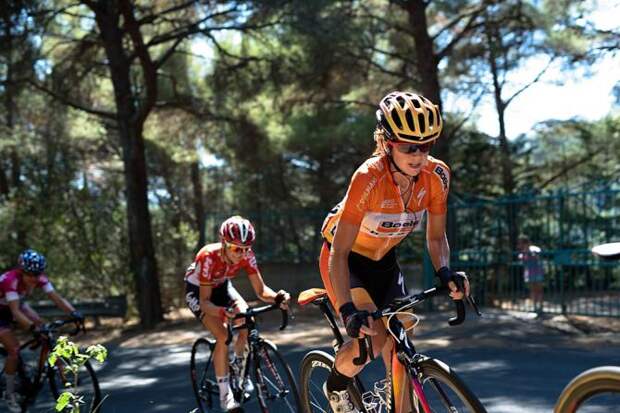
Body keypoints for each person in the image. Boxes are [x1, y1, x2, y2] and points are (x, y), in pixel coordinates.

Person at [319, 91, 471, 413]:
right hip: (348, 261)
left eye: (426, 146)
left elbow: (436, 237)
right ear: (387, 143)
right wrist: (347, 309)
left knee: (401, 340)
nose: (418, 156)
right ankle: (334, 385)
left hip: (385, 262)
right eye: (408, 147)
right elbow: (341, 251)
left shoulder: (436, 176)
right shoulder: (368, 178)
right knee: (371, 342)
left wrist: (445, 270)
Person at [184, 215, 291, 412]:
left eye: (246, 248)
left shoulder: (247, 255)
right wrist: (223, 312)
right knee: (223, 335)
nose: (242, 254)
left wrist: (277, 297)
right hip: (200, 293)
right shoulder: (208, 256)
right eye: (236, 249)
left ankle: (240, 372)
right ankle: (226, 397)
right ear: (224, 243)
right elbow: (206, 302)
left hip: (223, 286)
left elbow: (260, 291)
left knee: (245, 318)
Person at [0, 249, 84, 413]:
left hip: (13, 305)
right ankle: (9, 394)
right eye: (30, 275)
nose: (33, 279)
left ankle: (63, 373)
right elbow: (16, 313)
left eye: (37, 274)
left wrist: (74, 313)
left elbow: (56, 298)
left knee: (44, 328)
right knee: (14, 350)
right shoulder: (10, 280)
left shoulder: (39, 278)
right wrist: (31, 328)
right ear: (21, 271)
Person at [517, 235, 545, 313]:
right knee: (532, 290)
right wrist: (525, 253)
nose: (521, 245)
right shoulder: (522, 252)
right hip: (529, 273)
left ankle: (540, 307)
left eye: (522, 243)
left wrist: (531, 254)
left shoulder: (535, 249)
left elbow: (539, 255)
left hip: (538, 272)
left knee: (539, 290)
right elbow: (522, 259)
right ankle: (535, 307)